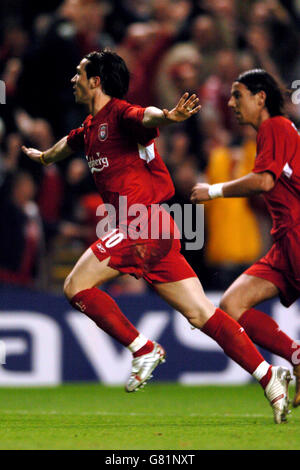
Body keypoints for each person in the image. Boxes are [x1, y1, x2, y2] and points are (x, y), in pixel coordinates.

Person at [23, 52, 290, 423]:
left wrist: (168, 116)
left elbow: (145, 115)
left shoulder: (120, 114)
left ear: (96, 81)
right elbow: (66, 146)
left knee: (75, 286)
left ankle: (142, 347)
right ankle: (269, 378)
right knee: (202, 314)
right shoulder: (89, 128)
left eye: (79, 73)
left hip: (139, 224)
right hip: (156, 230)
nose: (73, 78)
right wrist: (42, 158)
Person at [191, 68, 300, 409]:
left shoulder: (276, 126)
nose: (231, 102)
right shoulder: (270, 133)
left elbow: (264, 181)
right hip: (284, 242)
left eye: (237, 95)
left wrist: (215, 190)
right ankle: (296, 355)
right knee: (231, 306)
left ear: (260, 97)